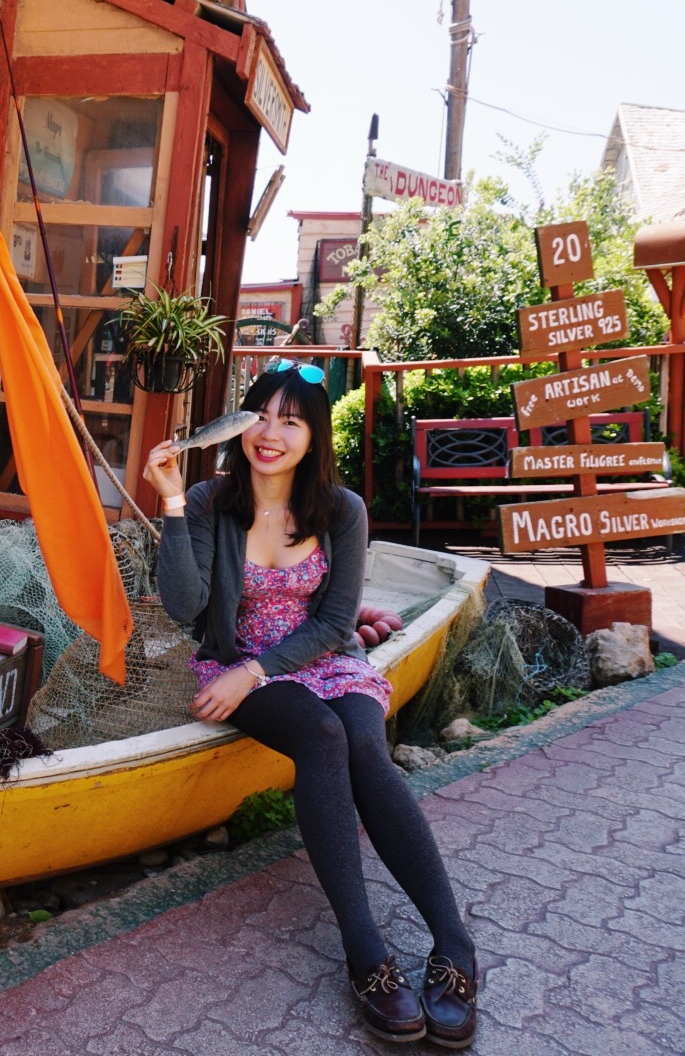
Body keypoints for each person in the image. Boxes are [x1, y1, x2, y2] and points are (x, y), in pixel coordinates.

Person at [144, 361, 478, 1048]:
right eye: (259, 416)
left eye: (289, 421)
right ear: (239, 424)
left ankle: (454, 942)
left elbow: (334, 625)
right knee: (324, 738)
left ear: (312, 434)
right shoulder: (210, 501)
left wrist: (263, 670)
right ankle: (367, 955)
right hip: (232, 666)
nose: (269, 434)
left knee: (360, 740)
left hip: (320, 660)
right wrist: (172, 502)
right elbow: (184, 607)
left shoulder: (342, 510)